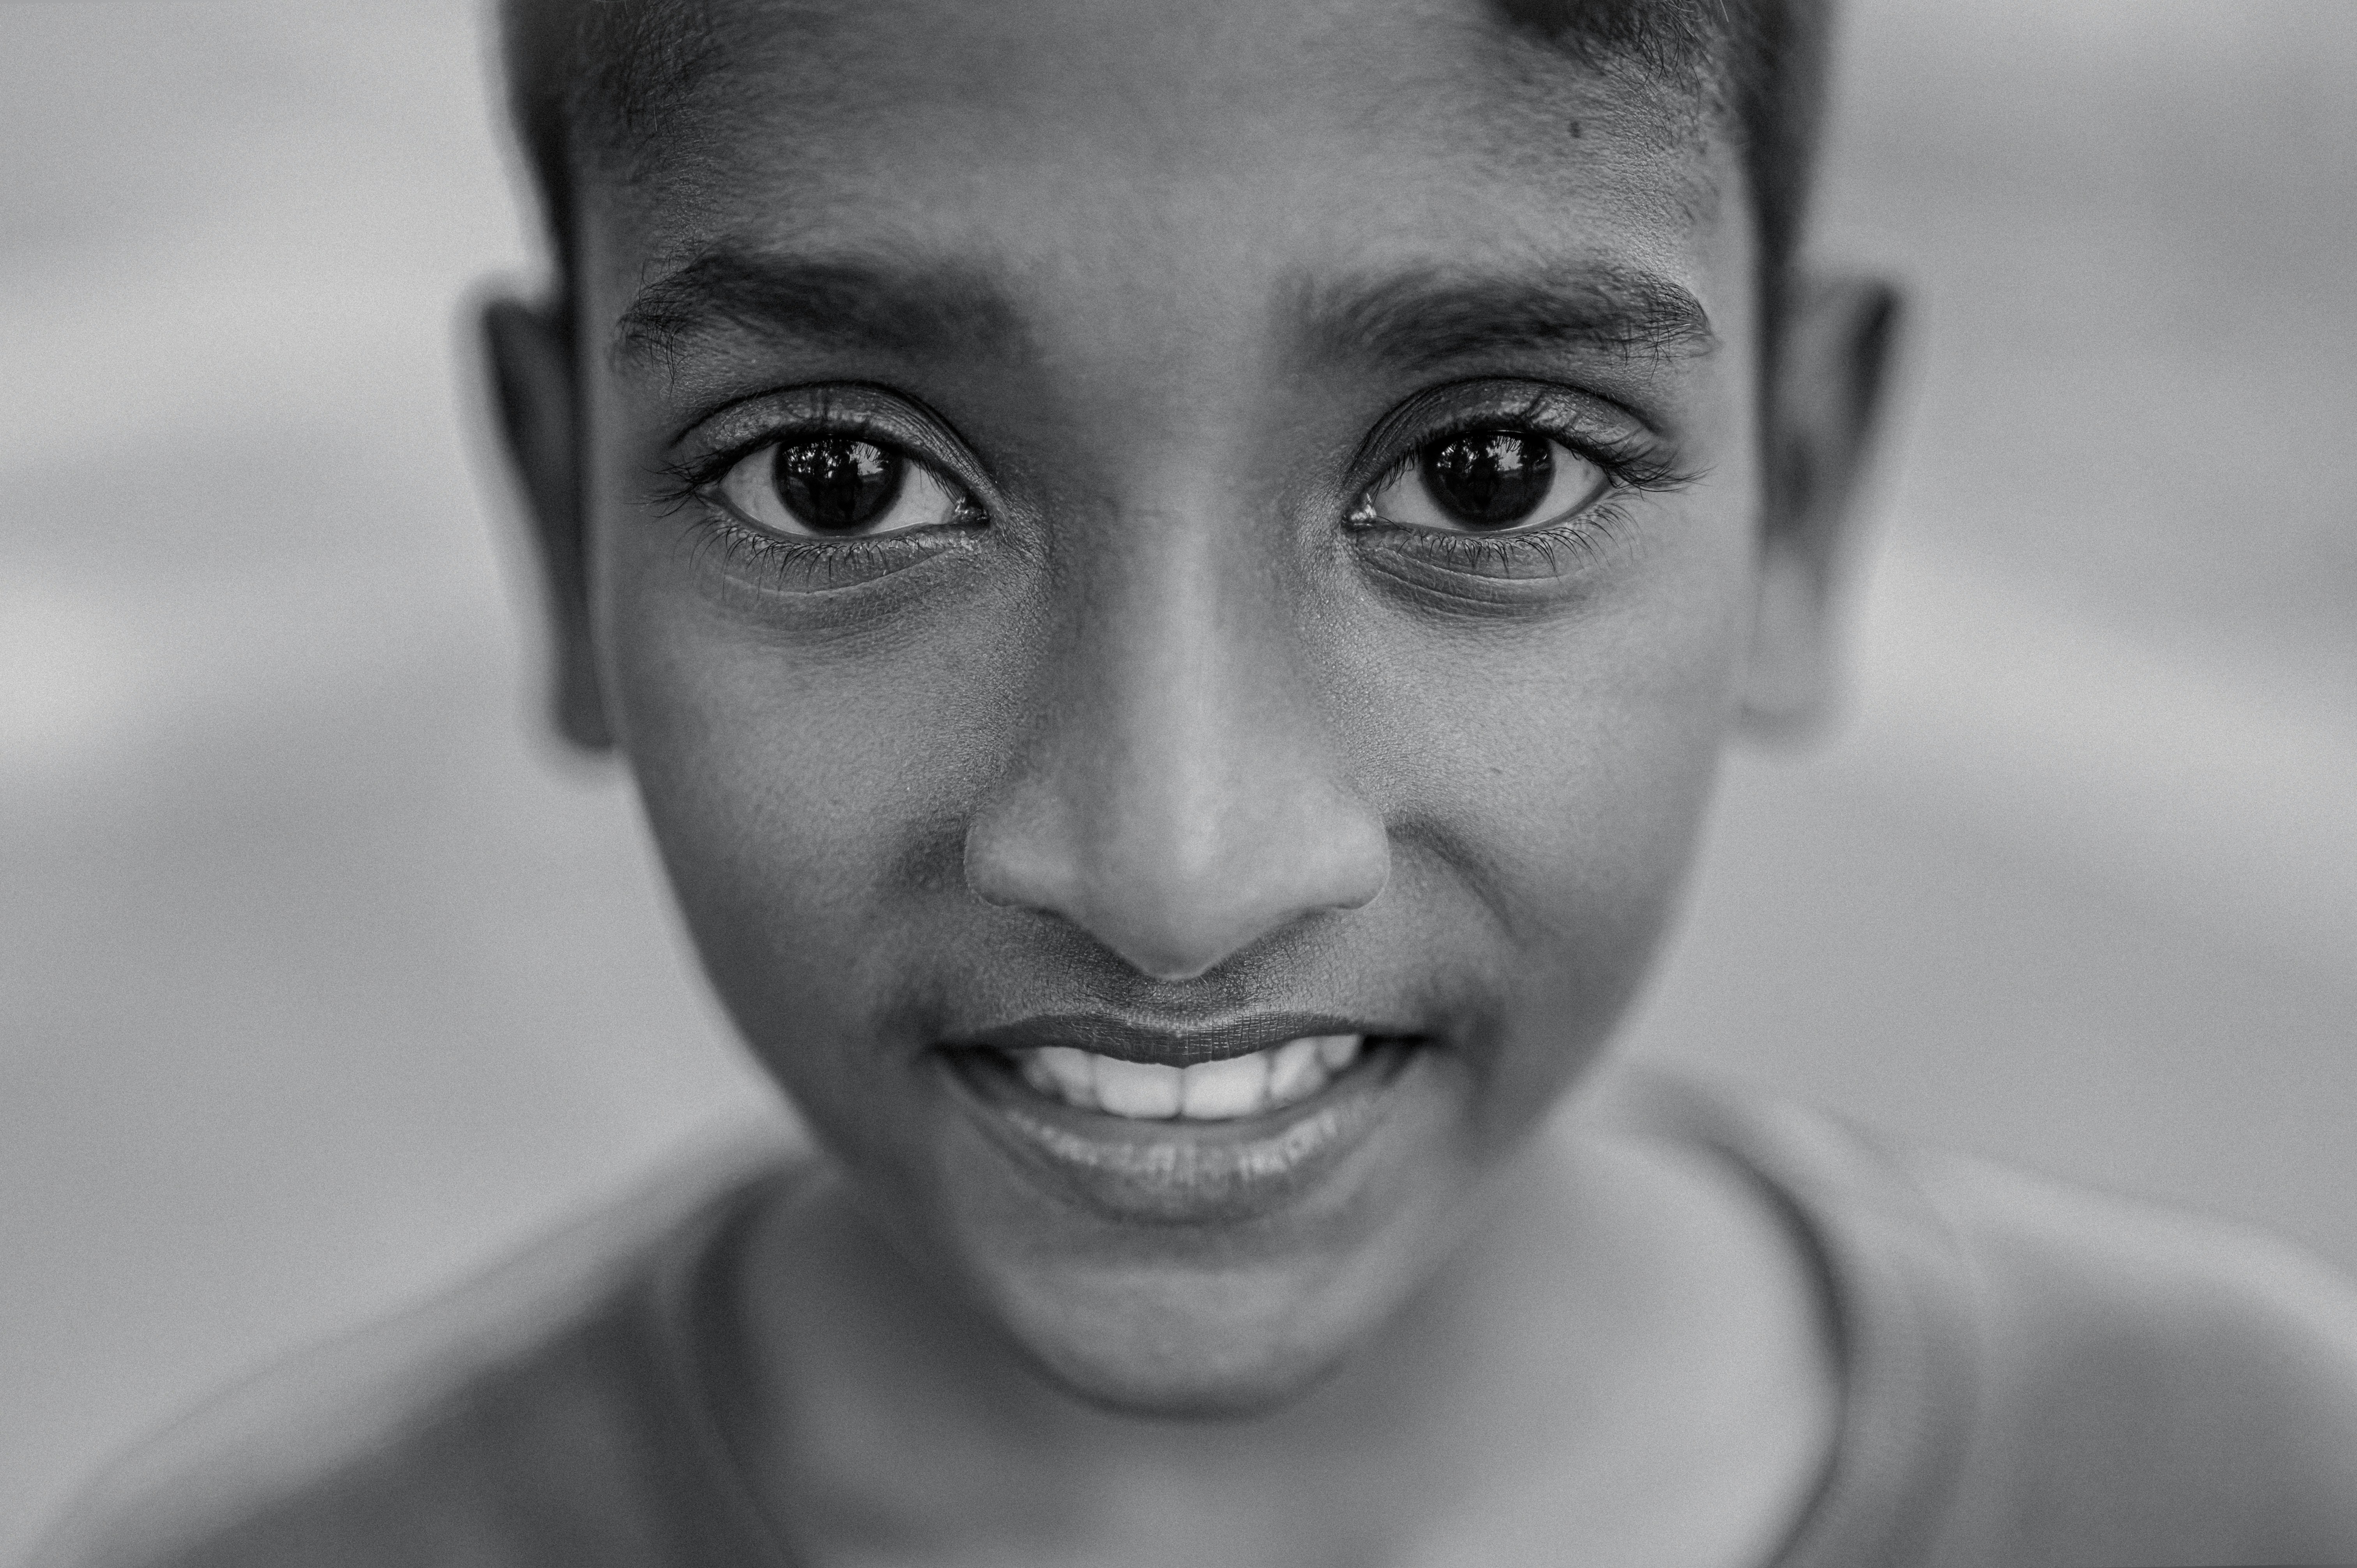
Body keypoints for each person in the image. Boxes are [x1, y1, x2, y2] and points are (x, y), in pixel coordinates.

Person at [30, 0, 2357, 1563]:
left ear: (1804, 500)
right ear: (561, 521)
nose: (1174, 864)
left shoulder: (2253, 1488)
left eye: (1487, 470)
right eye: (841, 481)